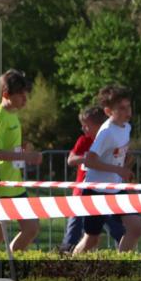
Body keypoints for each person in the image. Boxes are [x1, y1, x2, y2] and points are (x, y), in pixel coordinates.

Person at [0, 69, 42, 253]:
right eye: (20, 94)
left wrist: (22, 150)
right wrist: (26, 156)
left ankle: (8, 263)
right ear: (6, 94)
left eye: (25, 93)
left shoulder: (11, 114)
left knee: (31, 228)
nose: (25, 98)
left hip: (14, 185)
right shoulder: (0, 116)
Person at [73, 85, 141, 253]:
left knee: (135, 228)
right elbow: (89, 161)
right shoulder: (106, 132)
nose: (127, 111)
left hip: (115, 188)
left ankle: (121, 267)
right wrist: (118, 170)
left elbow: (117, 153)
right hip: (96, 189)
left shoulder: (126, 127)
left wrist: (125, 164)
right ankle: (70, 264)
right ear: (108, 111)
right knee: (91, 239)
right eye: (121, 108)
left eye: (129, 106)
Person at [60, 105, 125, 252]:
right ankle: (64, 257)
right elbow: (71, 160)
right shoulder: (84, 141)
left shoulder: (110, 140)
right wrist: (88, 159)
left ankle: (124, 257)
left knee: (118, 230)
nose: (83, 129)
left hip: (105, 192)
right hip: (81, 193)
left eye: (86, 126)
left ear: (100, 126)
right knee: (73, 233)